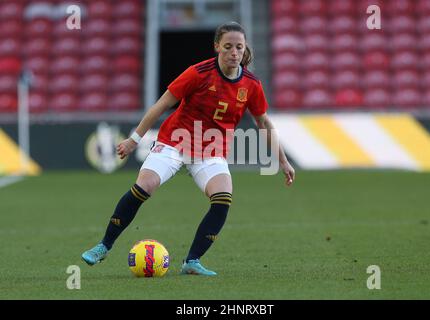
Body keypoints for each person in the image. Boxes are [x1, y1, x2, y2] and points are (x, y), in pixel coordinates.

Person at [81, 21, 295, 276]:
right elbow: (161, 105)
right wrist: (134, 139)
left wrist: (282, 161)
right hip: (174, 142)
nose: (234, 52)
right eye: (228, 46)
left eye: (239, 47)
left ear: (245, 48)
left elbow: (264, 122)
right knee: (144, 187)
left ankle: (191, 262)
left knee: (223, 198)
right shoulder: (198, 73)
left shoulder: (251, 85)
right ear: (217, 46)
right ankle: (103, 246)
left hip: (211, 151)